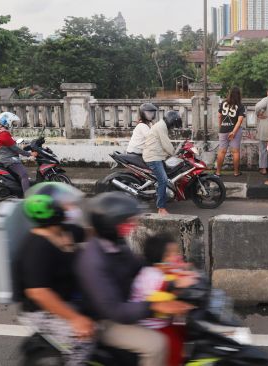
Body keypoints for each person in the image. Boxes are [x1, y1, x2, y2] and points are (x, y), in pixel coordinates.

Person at [76, 192, 192, 366]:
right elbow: (115, 311)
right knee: (156, 344)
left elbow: (139, 267)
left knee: (181, 326)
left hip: (129, 306)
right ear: (111, 225)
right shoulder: (93, 261)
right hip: (105, 321)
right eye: (128, 221)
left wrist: (172, 276)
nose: (134, 225)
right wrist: (155, 306)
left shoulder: (116, 244)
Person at [12, 182, 93, 366]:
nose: (72, 209)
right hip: (43, 310)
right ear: (52, 211)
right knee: (83, 342)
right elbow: (38, 292)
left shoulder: (64, 231)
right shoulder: (36, 248)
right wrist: (75, 319)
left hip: (69, 297)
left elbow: (92, 234)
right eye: (66, 205)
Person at [131, 233, 198, 366]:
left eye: (176, 253)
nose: (176, 257)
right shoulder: (150, 275)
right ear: (159, 258)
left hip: (164, 319)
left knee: (186, 331)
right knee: (174, 345)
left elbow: (175, 275)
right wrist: (179, 287)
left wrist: (188, 273)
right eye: (171, 254)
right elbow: (161, 295)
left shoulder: (161, 270)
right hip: (153, 325)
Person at [143, 110, 183, 215]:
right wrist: (175, 153)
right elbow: (166, 144)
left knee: (166, 175)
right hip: (153, 157)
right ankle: (161, 208)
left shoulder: (162, 125)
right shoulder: (161, 127)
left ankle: (163, 195)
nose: (173, 127)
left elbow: (164, 144)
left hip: (157, 155)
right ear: (170, 121)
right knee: (163, 181)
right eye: (174, 125)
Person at [0, 112, 37, 194]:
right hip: (9, 160)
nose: (12, 125)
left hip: (6, 158)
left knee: (20, 175)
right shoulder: (4, 135)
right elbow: (15, 149)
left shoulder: (1, 133)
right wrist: (30, 154)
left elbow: (12, 145)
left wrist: (24, 146)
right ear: (7, 122)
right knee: (24, 174)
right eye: (12, 123)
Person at [215, 86, 246, 177]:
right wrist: (233, 132)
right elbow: (240, 121)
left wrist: (221, 127)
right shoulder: (240, 106)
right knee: (235, 152)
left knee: (221, 151)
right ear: (239, 95)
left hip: (223, 130)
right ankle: (236, 172)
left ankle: (218, 172)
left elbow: (219, 116)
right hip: (235, 131)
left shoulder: (223, 103)